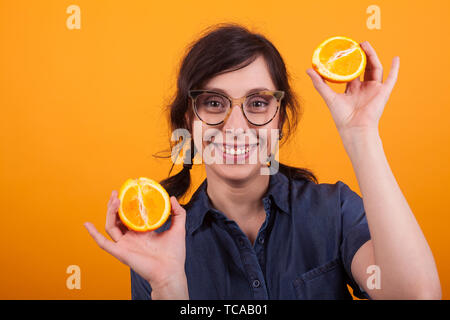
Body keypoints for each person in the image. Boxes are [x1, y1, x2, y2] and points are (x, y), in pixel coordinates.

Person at [84, 23, 441, 300]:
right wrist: (169, 284)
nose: (235, 126)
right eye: (213, 102)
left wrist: (361, 134)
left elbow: (416, 295)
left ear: (280, 119)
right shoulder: (159, 246)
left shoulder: (334, 211)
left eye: (257, 103)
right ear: (188, 123)